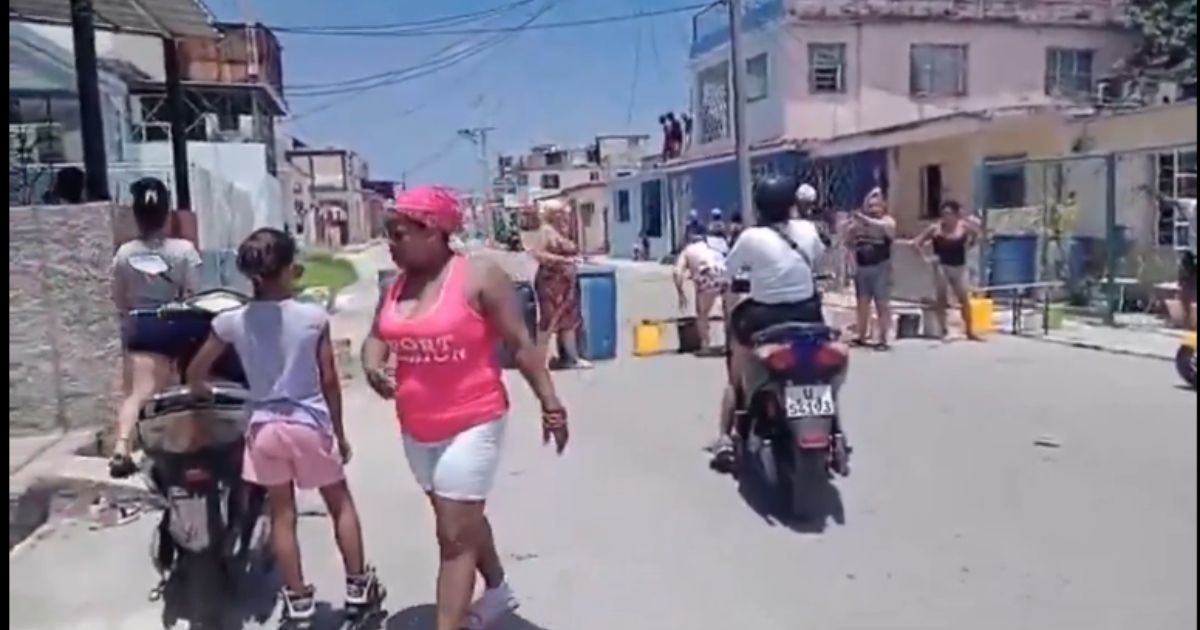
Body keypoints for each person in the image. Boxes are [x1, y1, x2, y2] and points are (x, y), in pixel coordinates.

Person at [360, 185, 569, 630]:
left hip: (474, 420)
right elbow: (376, 337)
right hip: (416, 427)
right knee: (461, 518)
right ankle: (498, 590)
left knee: (453, 538)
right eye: (389, 233)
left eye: (399, 233)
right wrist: (372, 365)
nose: (391, 243)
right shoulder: (395, 286)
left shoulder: (480, 278)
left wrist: (551, 403)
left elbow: (521, 345)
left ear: (433, 231)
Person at [185, 228, 383, 623]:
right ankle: (358, 589)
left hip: (264, 428)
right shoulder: (312, 317)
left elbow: (196, 372)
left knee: (282, 515)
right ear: (291, 269)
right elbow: (329, 379)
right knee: (339, 503)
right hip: (309, 423)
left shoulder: (230, 322)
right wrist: (338, 433)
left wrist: (208, 393)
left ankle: (297, 600)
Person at [710, 175, 830, 463]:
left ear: (759, 207)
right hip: (808, 312)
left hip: (765, 316)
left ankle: (730, 422)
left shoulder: (751, 237)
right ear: (791, 204)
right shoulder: (807, 229)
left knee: (737, 351)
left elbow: (726, 272)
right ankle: (833, 426)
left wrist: (719, 280)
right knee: (824, 358)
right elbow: (819, 260)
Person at [108, 177, 202, 477]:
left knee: (138, 393)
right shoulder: (184, 250)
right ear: (167, 214)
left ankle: (122, 447)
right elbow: (194, 293)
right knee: (185, 389)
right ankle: (186, 446)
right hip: (179, 323)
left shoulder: (125, 253)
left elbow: (119, 298)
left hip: (142, 324)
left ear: (136, 215)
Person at [529, 199, 591, 369]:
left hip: (565, 283)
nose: (564, 216)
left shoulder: (561, 231)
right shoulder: (546, 232)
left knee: (568, 320)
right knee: (549, 320)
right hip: (550, 283)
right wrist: (563, 260)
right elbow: (538, 254)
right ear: (552, 215)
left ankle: (572, 358)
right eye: (561, 213)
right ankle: (538, 359)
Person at [911, 199, 983, 341]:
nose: (946, 217)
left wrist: (970, 245)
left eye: (949, 214)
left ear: (956, 215)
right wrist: (927, 258)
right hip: (941, 266)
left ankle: (970, 331)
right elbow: (916, 243)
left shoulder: (963, 226)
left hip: (959, 266)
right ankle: (943, 330)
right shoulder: (935, 229)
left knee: (964, 298)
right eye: (944, 213)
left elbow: (977, 234)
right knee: (941, 298)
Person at [847, 188, 896, 349]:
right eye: (870, 206)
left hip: (880, 268)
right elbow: (849, 242)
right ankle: (861, 335)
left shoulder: (887, 221)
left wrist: (864, 220)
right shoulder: (859, 224)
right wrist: (850, 228)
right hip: (862, 268)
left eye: (876, 206)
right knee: (862, 303)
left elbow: (887, 229)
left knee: (882, 304)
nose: (872, 209)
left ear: (883, 206)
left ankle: (883, 338)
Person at [673, 222, 728, 353]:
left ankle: (705, 345)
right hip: (724, 274)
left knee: (702, 314)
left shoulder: (688, 250)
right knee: (727, 313)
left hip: (706, 277)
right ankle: (729, 344)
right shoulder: (714, 246)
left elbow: (677, 272)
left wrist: (680, 292)